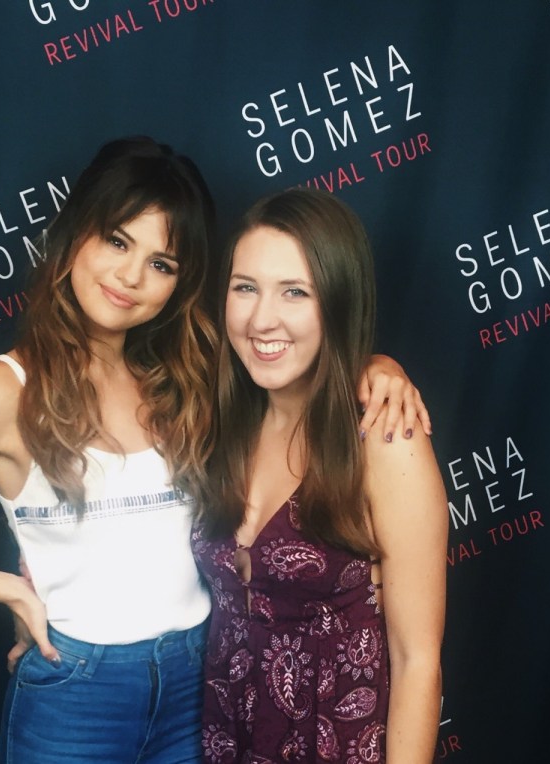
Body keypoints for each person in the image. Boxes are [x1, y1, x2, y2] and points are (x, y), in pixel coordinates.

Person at [0, 138, 428, 764]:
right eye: (117, 240)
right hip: (77, 695)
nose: (131, 277)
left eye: (162, 264)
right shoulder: (4, 391)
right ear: (75, 235)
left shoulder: (190, 375)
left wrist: (379, 367)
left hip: (203, 682)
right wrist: (8, 592)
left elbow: (302, 355)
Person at [193, 188, 448, 763]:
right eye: (245, 288)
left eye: (295, 292)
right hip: (226, 738)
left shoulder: (384, 438)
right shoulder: (216, 422)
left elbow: (417, 660)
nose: (262, 319)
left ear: (336, 300)